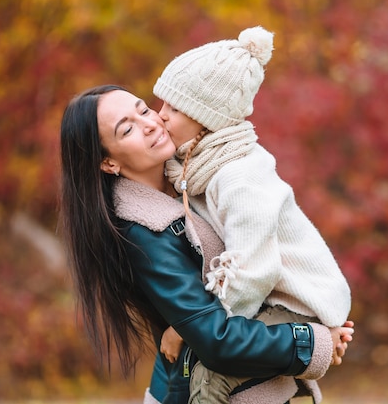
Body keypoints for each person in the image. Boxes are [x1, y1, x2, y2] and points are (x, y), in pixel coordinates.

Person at [59, 84, 354, 404]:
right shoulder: (144, 234)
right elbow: (217, 339)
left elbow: (250, 266)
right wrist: (312, 341)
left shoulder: (194, 182)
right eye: (127, 128)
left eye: (144, 109)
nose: (149, 123)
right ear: (108, 163)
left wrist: (183, 328)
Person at [152, 26, 352, 403]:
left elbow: (252, 270)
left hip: (297, 304)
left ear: (205, 117)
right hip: (266, 300)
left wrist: (188, 328)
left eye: (173, 108)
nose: (159, 116)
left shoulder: (239, 176)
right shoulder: (200, 167)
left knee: (209, 377)